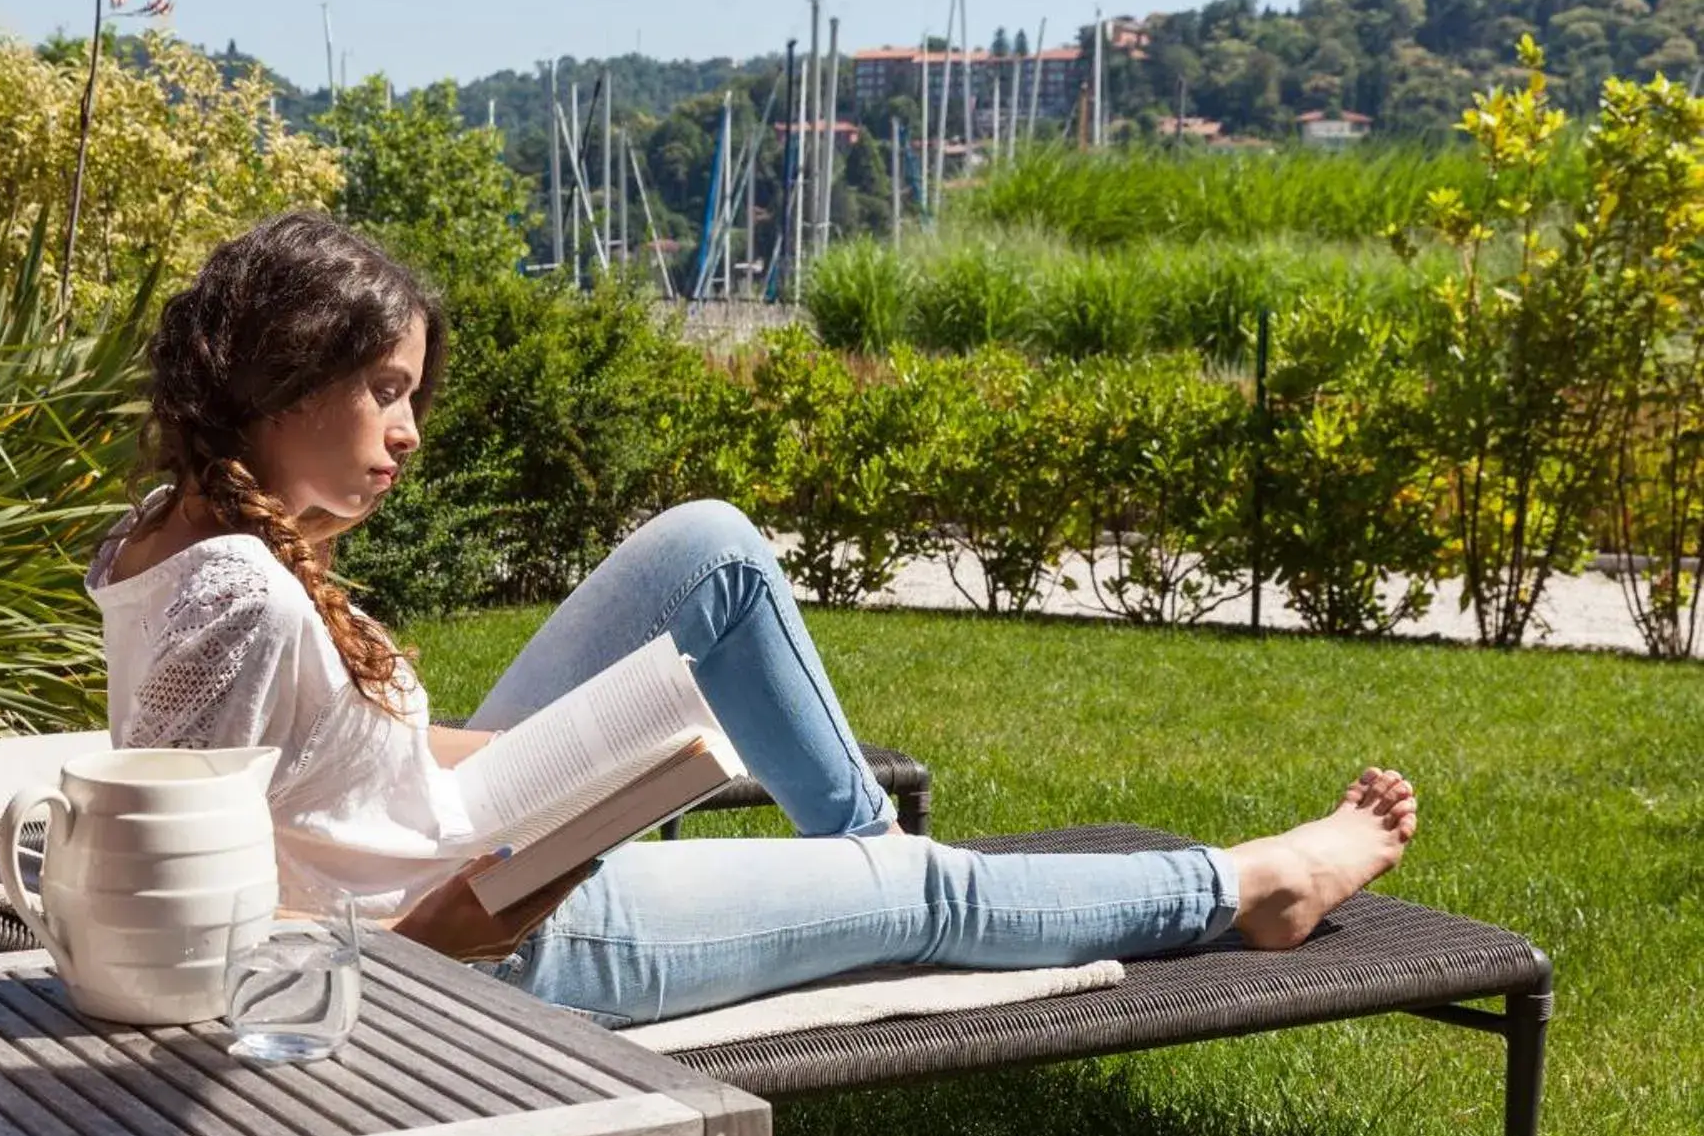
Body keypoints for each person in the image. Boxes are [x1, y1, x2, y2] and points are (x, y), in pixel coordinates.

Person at [88, 212, 1419, 1027]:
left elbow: (299, 776)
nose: (410, 433)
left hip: (469, 829)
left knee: (709, 551)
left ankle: (864, 871)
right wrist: (440, 938)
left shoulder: (171, 530)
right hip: (499, 941)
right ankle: (1254, 885)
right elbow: (195, 947)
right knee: (919, 884)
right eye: (385, 389)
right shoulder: (240, 593)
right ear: (288, 370)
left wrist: (549, 757)